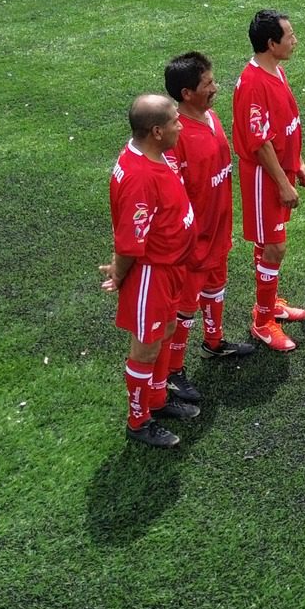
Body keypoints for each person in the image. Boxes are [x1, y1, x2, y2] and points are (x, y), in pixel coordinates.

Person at [102, 94, 198, 449]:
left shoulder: (156, 155)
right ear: (156, 131)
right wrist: (118, 273)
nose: (180, 124)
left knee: (167, 329)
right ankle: (139, 420)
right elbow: (129, 244)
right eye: (175, 120)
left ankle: (157, 399)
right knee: (145, 346)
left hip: (170, 267)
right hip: (150, 274)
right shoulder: (140, 177)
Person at [163, 51, 253, 366]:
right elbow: (171, 195)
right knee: (184, 307)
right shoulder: (176, 136)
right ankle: (172, 372)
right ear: (187, 93)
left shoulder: (211, 117)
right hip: (193, 241)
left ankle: (214, 342)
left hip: (218, 228)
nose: (215, 88)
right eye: (208, 83)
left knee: (216, 286)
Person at [234, 9, 305, 353]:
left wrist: (297, 162)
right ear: (271, 43)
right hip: (264, 178)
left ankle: (268, 304)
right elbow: (260, 143)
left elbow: (282, 125)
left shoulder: (274, 70)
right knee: (275, 247)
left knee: (268, 244)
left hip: (279, 170)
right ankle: (262, 322)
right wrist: (283, 182)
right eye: (289, 36)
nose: (295, 40)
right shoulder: (253, 83)